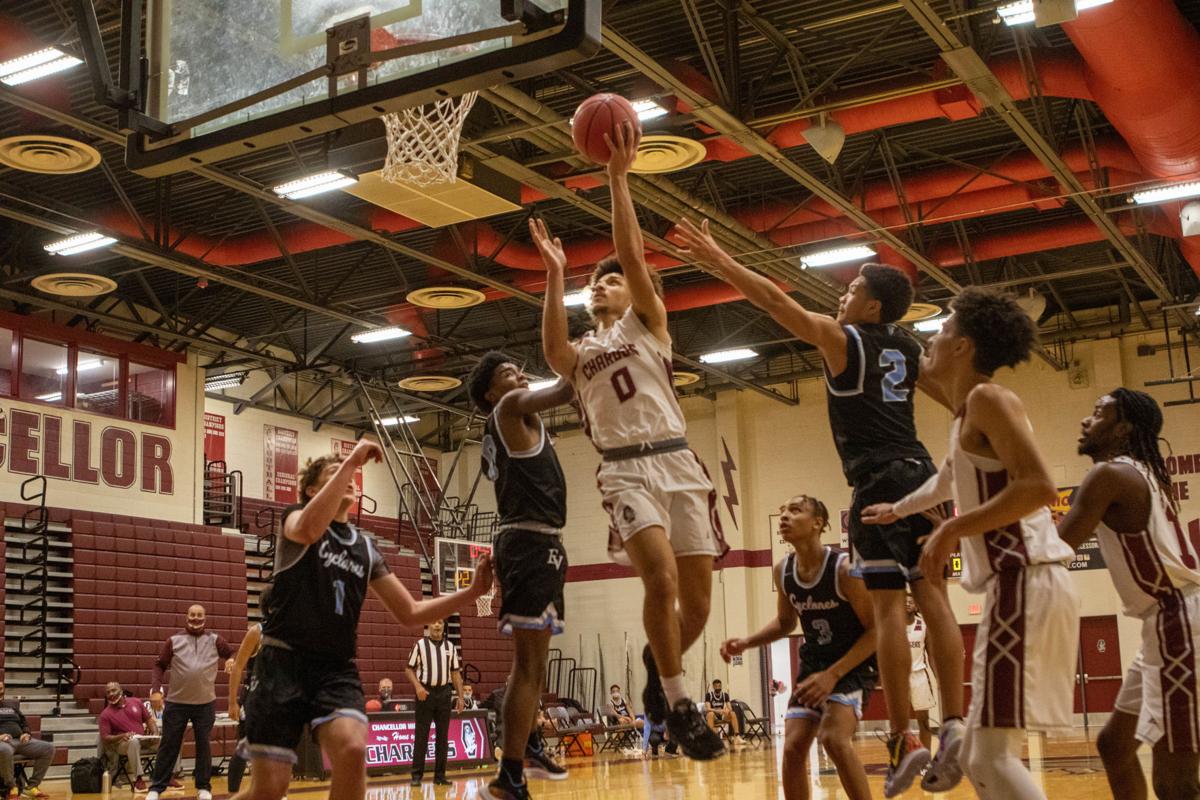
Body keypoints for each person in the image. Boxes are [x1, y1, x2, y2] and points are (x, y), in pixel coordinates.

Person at [675, 218, 965, 794]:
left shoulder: (844, 340)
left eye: (853, 289)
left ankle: (904, 735)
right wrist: (958, 477)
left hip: (877, 482)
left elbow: (776, 302)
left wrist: (722, 261)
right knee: (933, 599)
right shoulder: (908, 347)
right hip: (922, 473)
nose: (842, 295)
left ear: (873, 307)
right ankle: (955, 722)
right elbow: (961, 402)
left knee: (890, 612)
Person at [534, 120, 727, 762]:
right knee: (661, 580)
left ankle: (655, 663)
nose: (601, 285)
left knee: (696, 606)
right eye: (595, 282)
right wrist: (556, 274)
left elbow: (634, 256)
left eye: (609, 280)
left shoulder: (648, 326)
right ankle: (679, 704)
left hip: (678, 462)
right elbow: (553, 349)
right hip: (623, 471)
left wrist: (617, 179)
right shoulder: (581, 351)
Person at [862, 287, 1080, 800]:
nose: (931, 340)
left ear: (963, 347)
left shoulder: (988, 398)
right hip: (1015, 586)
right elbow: (946, 481)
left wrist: (950, 529)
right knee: (982, 758)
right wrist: (898, 510)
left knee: (990, 757)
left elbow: (1039, 486)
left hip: (1025, 579)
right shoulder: (965, 414)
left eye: (942, 330)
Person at [230, 440, 492, 800]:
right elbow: (307, 530)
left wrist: (472, 592)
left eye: (349, 473)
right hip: (282, 663)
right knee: (269, 790)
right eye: (335, 472)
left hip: (334, 669)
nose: (349, 476)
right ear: (312, 490)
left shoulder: (365, 548)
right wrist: (352, 459)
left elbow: (410, 612)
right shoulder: (295, 517)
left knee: (353, 749)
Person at [1059, 388, 1200, 800]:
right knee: (1115, 745)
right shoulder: (1143, 471)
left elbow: (1056, 549)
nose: (1086, 420)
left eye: (1098, 413)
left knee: (1176, 780)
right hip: (1168, 622)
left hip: (1178, 621)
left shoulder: (1109, 476)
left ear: (1123, 429)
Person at [467, 353, 574, 800]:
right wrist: (596, 350)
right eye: (508, 373)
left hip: (540, 543)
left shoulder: (519, 419)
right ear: (491, 393)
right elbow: (567, 388)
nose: (521, 375)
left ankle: (527, 744)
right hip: (527, 542)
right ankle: (509, 774)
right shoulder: (508, 408)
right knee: (528, 665)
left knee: (537, 665)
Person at [721, 494, 876, 800]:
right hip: (815, 663)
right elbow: (785, 622)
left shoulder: (844, 569)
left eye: (795, 510)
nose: (784, 516)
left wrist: (833, 675)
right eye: (782, 511)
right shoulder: (783, 570)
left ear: (818, 523)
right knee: (792, 749)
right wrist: (747, 642)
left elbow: (876, 630)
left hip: (853, 664)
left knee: (834, 739)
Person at [146, 605, 235, 800]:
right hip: (176, 703)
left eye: (199, 615)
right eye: (192, 615)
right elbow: (159, 665)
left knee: (203, 745)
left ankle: (204, 788)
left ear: (205, 618)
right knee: (169, 745)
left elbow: (231, 653)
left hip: (205, 703)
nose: (196, 618)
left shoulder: (215, 640)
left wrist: (230, 660)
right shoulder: (174, 640)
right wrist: (156, 691)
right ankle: (156, 788)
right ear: (187, 617)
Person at [404, 619, 464, 787]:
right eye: (434, 623)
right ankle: (416, 776)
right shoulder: (420, 645)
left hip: (444, 693)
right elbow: (408, 669)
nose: (437, 625)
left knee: (443, 737)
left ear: (443, 626)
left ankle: (440, 776)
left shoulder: (450, 647)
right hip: (426, 693)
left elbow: (455, 674)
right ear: (428, 626)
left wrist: (460, 697)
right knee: (421, 736)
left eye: (440, 623)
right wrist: (418, 687)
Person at [99, 682, 159, 792]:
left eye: (113, 690)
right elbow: (105, 738)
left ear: (121, 691)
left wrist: (155, 733)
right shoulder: (105, 714)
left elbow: (149, 720)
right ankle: (138, 780)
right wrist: (122, 736)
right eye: (108, 692)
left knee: (166, 741)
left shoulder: (136, 701)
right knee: (133, 741)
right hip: (122, 744)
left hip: (142, 739)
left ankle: (169, 776)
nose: (111, 694)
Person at [0, 682, 54, 799]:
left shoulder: (11, 706)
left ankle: (32, 786)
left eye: (1, 688)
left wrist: (26, 733)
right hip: (3, 743)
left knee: (48, 748)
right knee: (4, 750)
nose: (0, 691)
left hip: (20, 740)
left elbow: (24, 722)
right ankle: (11, 787)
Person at [906, 594, 940, 751]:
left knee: (924, 721)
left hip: (919, 675)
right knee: (899, 723)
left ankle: (925, 757)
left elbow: (931, 655)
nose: (907, 603)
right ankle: (900, 757)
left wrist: (938, 678)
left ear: (916, 606)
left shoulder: (924, 625)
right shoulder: (894, 625)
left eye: (911, 601)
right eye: (904, 601)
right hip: (900, 677)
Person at [141, 692, 182, 789]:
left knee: (175, 744)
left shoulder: (166, 707)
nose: (158, 702)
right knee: (170, 745)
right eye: (155, 701)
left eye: (160, 700)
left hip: (160, 739)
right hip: (146, 739)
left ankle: (171, 775)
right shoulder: (145, 706)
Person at [702, 680, 744, 747]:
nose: (718, 688)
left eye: (719, 686)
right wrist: (717, 711)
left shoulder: (725, 695)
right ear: (713, 687)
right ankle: (711, 739)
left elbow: (730, 708)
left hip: (721, 716)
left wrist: (727, 710)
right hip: (713, 716)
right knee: (710, 714)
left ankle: (737, 737)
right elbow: (708, 709)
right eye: (716, 686)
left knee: (732, 713)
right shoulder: (709, 695)